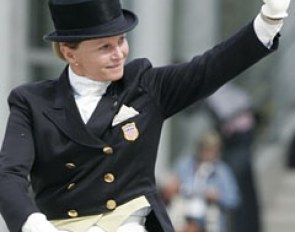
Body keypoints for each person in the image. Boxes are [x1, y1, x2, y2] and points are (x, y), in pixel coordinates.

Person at [0, 0, 291, 231]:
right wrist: (34, 224)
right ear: (69, 52)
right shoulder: (31, 102)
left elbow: (209, 67)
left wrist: (267, 22)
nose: (119, 54)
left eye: (121, 40)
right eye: (105, 47)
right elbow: (8, 176)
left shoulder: (145, 85)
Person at [206, 82, 261, 232]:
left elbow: (224, 113)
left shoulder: (211, 90)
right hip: (241, 135)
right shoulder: (224, 87)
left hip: (238, 138)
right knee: (244, 186)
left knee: (237, 187)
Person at [175, 131, 240, 232]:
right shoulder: (185, 166)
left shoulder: (222, 172)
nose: (208, 154)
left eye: (212, 150)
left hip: (210, 219)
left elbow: (234, 200)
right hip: (185, 215)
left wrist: (218, 196)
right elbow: (174, 187)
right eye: (205, 149)